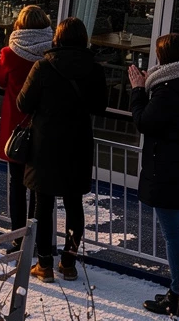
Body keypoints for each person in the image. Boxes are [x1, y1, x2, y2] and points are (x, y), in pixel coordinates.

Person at [17, 16, 107, 283]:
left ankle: (44, 263)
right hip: (77, 142)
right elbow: (99, 107)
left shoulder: (43, 67)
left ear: (57, 37)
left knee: (43, 205)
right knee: (74, 204)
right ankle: (68, 262)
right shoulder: (94, 69)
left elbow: (23, 103)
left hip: (45, 143)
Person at [129, 34, 179, 317]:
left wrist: (138, 90)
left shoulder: (167, 89)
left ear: (165, 59)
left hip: (167, 168)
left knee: (173, 234)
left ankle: (177, 295)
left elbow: (144, 121)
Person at [0, 5, 54, 237]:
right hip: (42, 123)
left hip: (15, 125)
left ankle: (17, 233)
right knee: (37, 185)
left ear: (19, 25)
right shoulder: (52, 51)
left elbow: (0, 80)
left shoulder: (9, 53)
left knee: (16, 182)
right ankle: (35, 233)